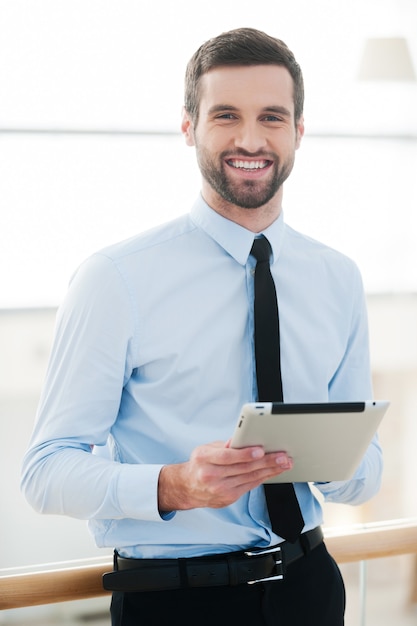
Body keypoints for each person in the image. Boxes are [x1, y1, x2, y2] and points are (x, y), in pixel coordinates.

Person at [21, 27, 383, 626]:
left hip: (310, 587)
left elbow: (362, 473)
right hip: (177, 600)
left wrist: (334, 462)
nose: (250, 139)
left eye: (272, 116)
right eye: (225, 116)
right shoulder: (116, 278)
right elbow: (46, 470)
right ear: (189, 127)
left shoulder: (337, 277)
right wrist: (173, 486)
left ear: (298, 131)